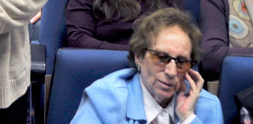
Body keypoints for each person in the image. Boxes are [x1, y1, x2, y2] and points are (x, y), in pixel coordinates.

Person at [71, 8, 223, 124]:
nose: (171, 72)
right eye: (161, 58)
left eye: (181, 62)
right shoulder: (104, 98)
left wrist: (188, 118)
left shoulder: (207, 106)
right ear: (139, 56)